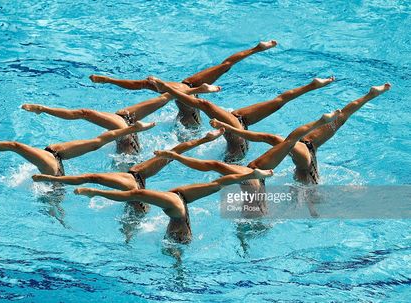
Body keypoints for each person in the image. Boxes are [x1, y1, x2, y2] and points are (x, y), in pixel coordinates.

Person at [31, 128, 225, 242]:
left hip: (137, 211)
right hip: (149, 209)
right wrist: (204, 139)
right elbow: (175, 152)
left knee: (130, 237)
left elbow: (92, 178)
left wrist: (56, 181)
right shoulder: (142, 171)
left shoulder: (132, 178)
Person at [154, 110, 342, 218]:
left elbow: (210, 165)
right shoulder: (257, 170)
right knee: (287, 142)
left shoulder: (245, 174)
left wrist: (175, 156)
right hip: (266, 203)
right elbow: (280, 138)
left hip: (255, 215)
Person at [207, 83, 391, 184]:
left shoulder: (307, 182)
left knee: (282, 139)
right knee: (341, 117)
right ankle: (369, 95)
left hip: (308, 150)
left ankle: (369, 96)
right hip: (309, 149)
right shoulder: (309, 181)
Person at [88, 41, 277, 128]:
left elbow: (143, 85)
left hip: (184, 87)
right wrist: (199, 90)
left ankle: (256, 48)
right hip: (186, 97)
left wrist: (110, 80)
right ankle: (255, 49)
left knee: (153, 86)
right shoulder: (185, 113)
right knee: (223, 66)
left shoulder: (179, 92)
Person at [148, 76, 335, 162]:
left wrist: (166, 87)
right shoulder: (238, 123)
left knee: (204, 104)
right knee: (278, 101)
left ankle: (167, 88)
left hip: (236, 146)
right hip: (240, 130)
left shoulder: (234, 155)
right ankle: (312, 85)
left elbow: (203, 104)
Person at [74, 168, 274, 244]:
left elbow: (135, 194)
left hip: (178, 235)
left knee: (172, 255)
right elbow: (218, 183)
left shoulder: (170, 203)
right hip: (182, 216)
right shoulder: (179, 197)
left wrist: (95, 192)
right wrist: (252, 175)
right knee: (217, 185)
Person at [21, 83, 220, 155]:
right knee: (165, 97)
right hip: (126, 127)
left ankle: (44, 109)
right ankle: (43, 109)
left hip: (127, 134)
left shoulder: (127, 162)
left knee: (84, 114)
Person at [0, 121, 155, 177]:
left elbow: (14, 146)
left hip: (54, 166)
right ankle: (133, 128)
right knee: (96, 142)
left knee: (16, 146)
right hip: (55, 161)